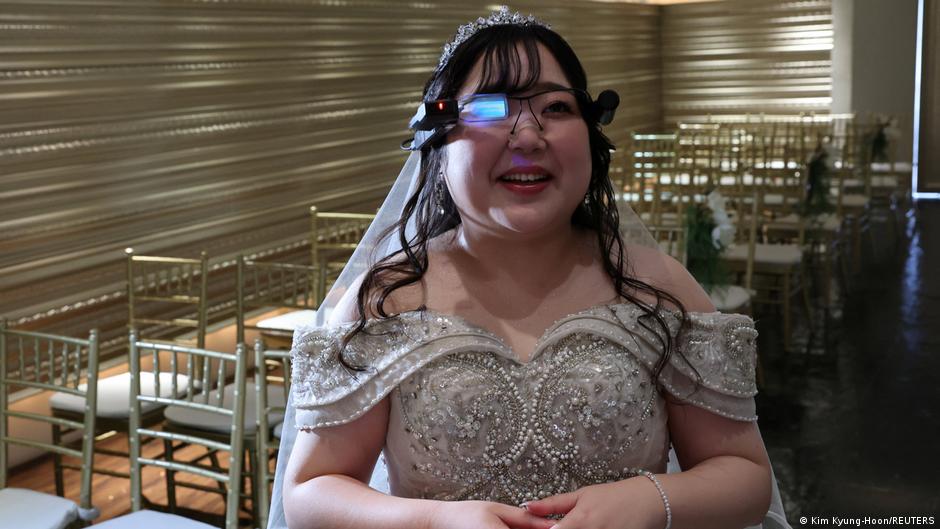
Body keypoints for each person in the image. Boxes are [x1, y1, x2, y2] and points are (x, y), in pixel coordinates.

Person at [270, 7, 790, 529]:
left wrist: (651, 500)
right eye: (489, 108)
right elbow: (312, 491)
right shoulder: (386, 299)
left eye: (556, 107)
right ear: (438, 142)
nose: (527, 137)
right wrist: (434, 522)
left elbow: (745, 476)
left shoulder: (658, 289)